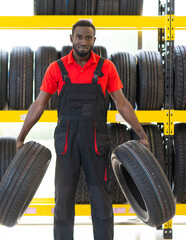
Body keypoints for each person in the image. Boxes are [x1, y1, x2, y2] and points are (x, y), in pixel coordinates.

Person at [16, 20, 150, 240]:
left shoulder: (106, 68)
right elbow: (38, 105)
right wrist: (21, 136)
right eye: (79, 37)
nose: (83, 41)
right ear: (71, 38)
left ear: (94, 41)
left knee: (101, 199)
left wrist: (142, 135)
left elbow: (122, 104)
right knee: (63, 199)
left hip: (96, 141)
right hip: (67, 142)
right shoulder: (56, 68)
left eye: (88, 38)